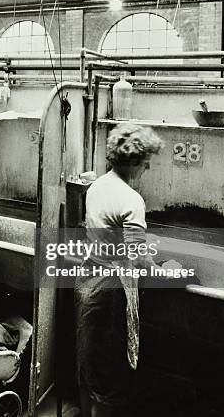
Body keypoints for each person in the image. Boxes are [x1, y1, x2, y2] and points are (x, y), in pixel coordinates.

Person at [74, 123, 164, 417]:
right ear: (134, 162)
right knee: (110, 375)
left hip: (87, 279)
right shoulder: (132, 201)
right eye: (146, 161)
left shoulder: (97, 186)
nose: (148, 167)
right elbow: (137, 258)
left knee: (89, 364)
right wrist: (168, 271)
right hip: (110, 292)